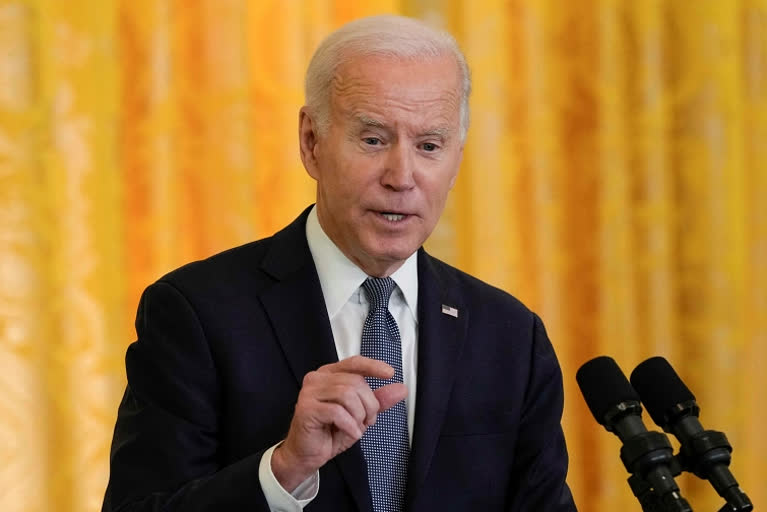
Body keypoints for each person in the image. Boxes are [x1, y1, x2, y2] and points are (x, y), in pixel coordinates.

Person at [102, 14, 576, 512]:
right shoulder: (197, 314)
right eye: (373, 140)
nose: (402, 176)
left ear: (456, 159)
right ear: (311, 142)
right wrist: (283, 470)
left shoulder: (509, 336)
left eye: (429, 146)